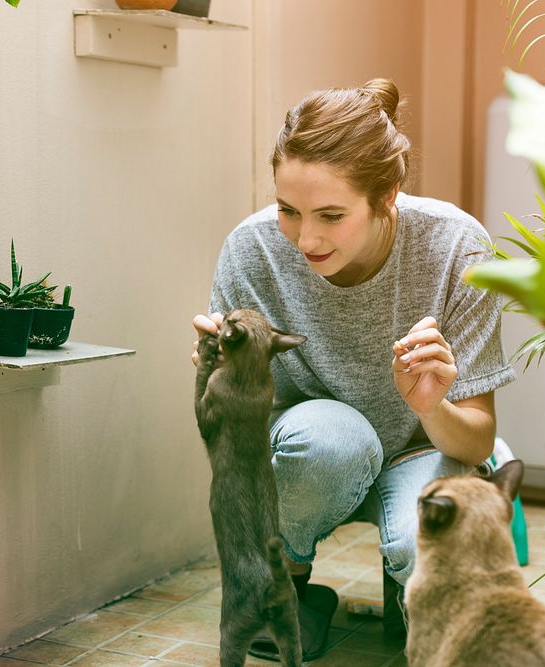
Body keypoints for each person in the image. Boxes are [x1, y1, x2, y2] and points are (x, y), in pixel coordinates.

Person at [192, 78, 516, 661]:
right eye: (289, 209)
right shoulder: (252, 250)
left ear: (388, 194)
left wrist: (429, 405)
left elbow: (478, 435)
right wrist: (218, 384)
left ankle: (407, 585)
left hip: (424, 448)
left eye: (331, 215)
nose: (305, 237)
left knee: (429, 561)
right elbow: (232, 446)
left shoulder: (456, 246)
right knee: (330, 440)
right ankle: (284, 587)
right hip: (310, 455)